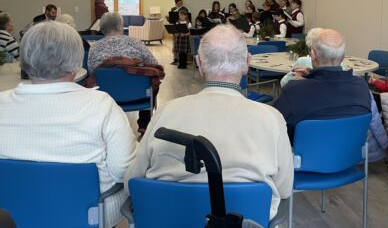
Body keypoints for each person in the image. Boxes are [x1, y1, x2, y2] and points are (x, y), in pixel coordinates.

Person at [124, 25, 293, 219]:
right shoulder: (272, 118)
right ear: (247, 63)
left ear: (199, 63)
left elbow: (132, 180)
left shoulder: (165, 111)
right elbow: (284, 188)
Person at [0, 21, 136, 227]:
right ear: (76, 61)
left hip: (12, 216)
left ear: (25, 59)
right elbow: (123, 171)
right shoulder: (101, 105)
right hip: (89, 216)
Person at [273, 29, 372, 142]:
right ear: (343, 55)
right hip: (350, 155)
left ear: (313, 54)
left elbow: (273, 124)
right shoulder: (361, 86)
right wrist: (311, 75)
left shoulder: (294, 90)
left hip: (306, 156)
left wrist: (296, 84)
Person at [88, 12, 160, 132]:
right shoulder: (136, 43)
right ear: (121, 25)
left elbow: (92, 71)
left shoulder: (94, 48)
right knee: (151, 80)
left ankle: (106, 126)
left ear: (102, 28)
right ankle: (144, 123)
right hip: (139, 96)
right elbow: (153, 63)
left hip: (106, 98)